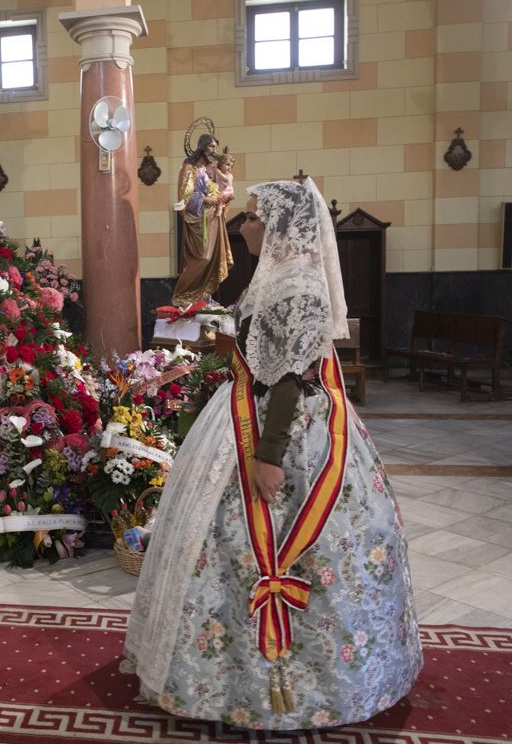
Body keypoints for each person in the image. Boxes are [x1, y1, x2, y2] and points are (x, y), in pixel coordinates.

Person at [125, 178, 422, 730]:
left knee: (298, 545)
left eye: (256, 217)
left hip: (285, 431)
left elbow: (290, 378)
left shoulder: (299, 285)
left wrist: (269, 456)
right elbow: (260, 358)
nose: (244, 225)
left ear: (284, 225)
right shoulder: (273, 276)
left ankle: (305, 686)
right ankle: (219, 676)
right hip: (247, 409)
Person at [170, 134, 233, 308]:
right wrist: (204, 200)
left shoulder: (209, 171)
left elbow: (219, 188)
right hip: (199, 221)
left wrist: (223, 198)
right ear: (202, 147)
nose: (214, 151)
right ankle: (181, 294)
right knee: (203, 258)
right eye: (211, 147)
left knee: (212, 260)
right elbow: (184, 196)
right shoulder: (189, 169)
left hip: (213, 219)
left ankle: (201, 295)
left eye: (215, 147)